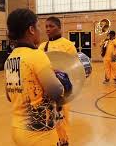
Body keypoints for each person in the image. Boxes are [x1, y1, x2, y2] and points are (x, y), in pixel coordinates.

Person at [5, 8, 69, 145]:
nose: (41, 30)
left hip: (17, 128)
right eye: (38, 26)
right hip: (38, 132)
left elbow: (9, 96)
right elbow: (56, 91)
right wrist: (62, 81)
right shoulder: (36, 55)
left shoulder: (11, 58)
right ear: (31, 29)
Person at [38, 16, 76, 143]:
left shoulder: (68, 45)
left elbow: (73, 68)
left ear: (59, 28)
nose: (48, 29)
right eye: (46, 26)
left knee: (61, 119)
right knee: (48, 119)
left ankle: (64, 141)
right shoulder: (42, 46)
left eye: (51, 26)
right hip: (46, 89)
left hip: (61, 90)